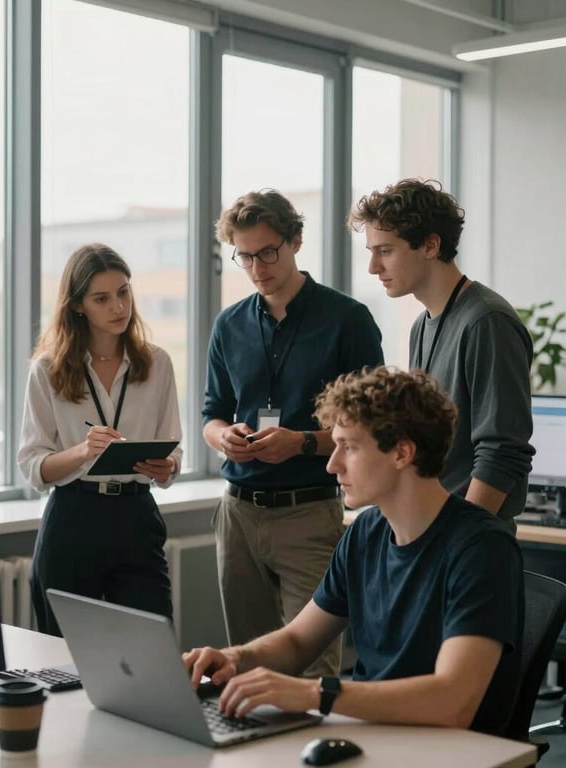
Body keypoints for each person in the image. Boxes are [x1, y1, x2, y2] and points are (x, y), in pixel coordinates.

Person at [185, 366, 523, 737]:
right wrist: (235, 658)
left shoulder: (481, 547)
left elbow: (453, 702)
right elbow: (297, 642)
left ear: (402, 453)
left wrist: (316, 693)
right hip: (374, 734)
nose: (333, 464)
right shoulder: (367, 531)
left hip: (453, 749)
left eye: (349, 447)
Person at [202, 189, 383, 677]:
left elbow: (371, 425)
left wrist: (301, 442)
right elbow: (211, 415)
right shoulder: (229, 325)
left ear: (296, 241)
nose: (257, 268)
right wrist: (224, 438)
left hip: (309, 512)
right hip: (237, 514)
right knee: (242, 665)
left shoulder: (348, 320)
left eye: (267, 252)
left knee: (312, 668)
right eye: (244, 257)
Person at [18, 243, 183, 636]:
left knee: (151, 645)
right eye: (102, 298)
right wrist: (82, 451)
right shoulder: (48, 369)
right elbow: (32, 466)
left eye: (123, 292)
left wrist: (169, 467)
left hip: (136, 514)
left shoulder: (157, 363)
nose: (118, 307)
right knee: (63, 650)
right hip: (73, 516)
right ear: (78, 305)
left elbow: (173, 447)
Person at [348, 178, 534, 524]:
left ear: (430, 246)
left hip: (466, 537)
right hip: (429, 526)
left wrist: (457, 536)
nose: (373, 267)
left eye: (385, 251)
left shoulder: (487, 321)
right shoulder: (421, 325)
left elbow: (502, 453)